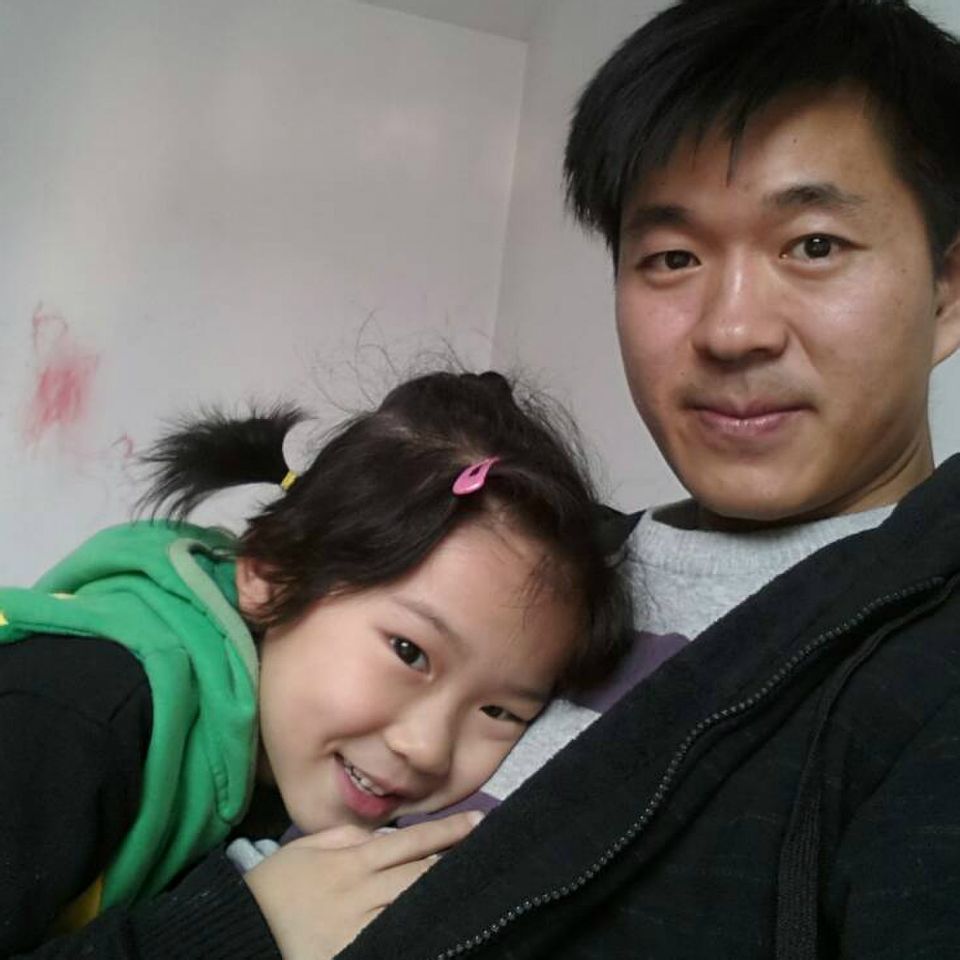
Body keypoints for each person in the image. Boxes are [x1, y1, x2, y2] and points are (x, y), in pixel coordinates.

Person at [309, 0, 959, 957]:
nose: (732, 330)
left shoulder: (933, 676)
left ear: (948, 292)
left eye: (813, 246)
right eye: (672, 257)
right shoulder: (543, 566)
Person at [0, 370, 634, 958]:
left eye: (498, 710)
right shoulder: (76, 715)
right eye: (409, 652)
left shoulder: (279, 757)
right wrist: (247, 928)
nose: (427, 748)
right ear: (272, 574)